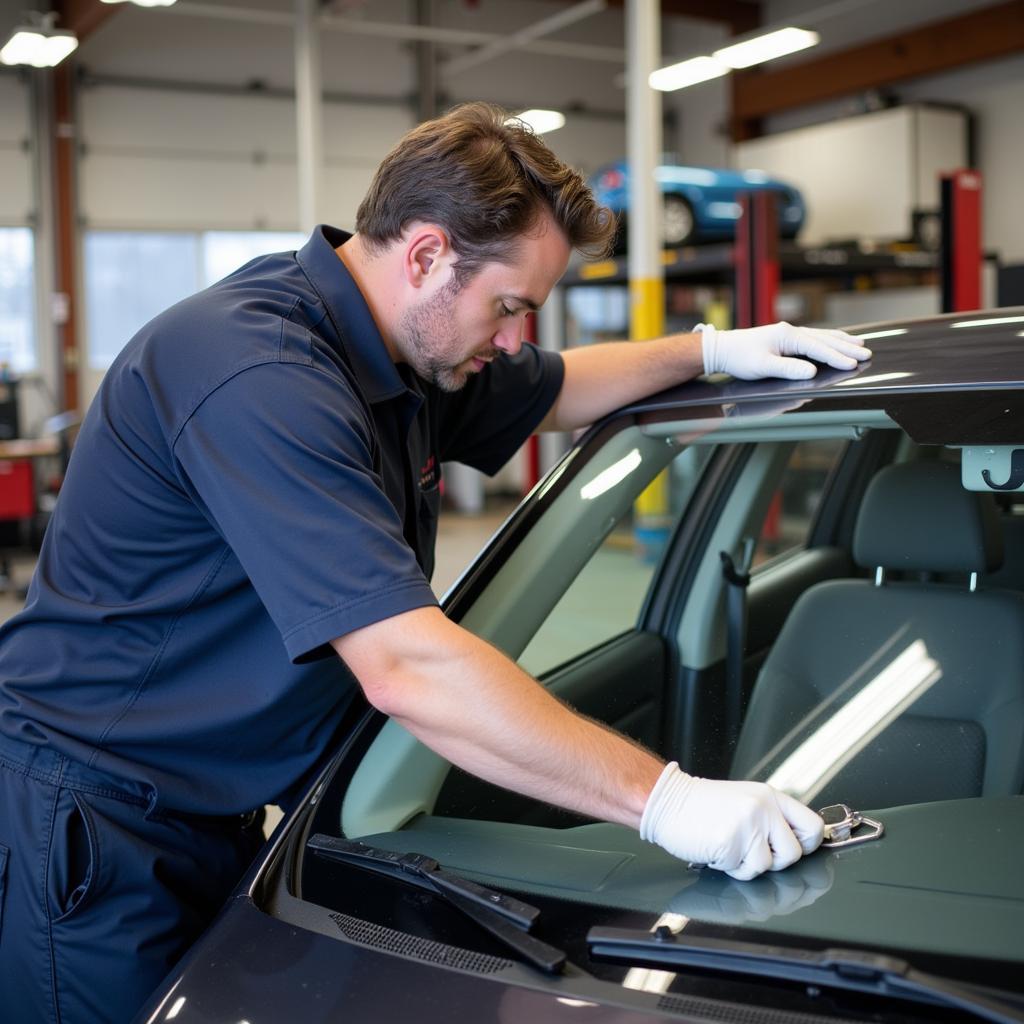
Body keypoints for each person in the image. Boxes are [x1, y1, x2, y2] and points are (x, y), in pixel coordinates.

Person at [0, 102, 870, 1023]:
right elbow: (408, 667)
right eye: (508, 307)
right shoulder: (260, 377)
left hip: (216, 807)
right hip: (95, 824)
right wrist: (667, 802)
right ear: (424, 256)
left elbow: (560, 386)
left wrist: (710, 351)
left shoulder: (401, 353)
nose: (512, 339)